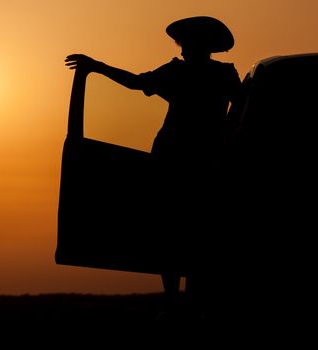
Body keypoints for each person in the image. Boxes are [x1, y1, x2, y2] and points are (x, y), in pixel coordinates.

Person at [65, 16, 241, 322]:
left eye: (187, 43)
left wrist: (96, 66)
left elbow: (136, 82)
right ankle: (182, 303)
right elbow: (238, 112)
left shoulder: (196, 74)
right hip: (192, 161)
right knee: (187, 231)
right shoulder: (216, 74)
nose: (183, 49)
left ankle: (179, 303)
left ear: (200, 45)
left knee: (179, 231)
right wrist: (97, 66)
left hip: (186, 161)